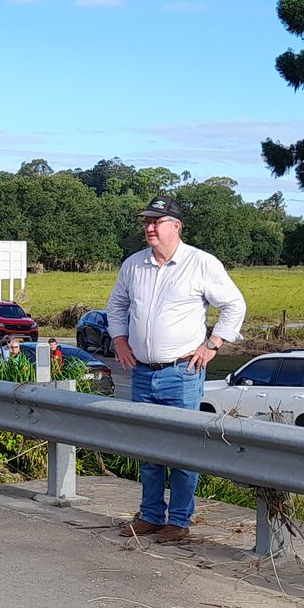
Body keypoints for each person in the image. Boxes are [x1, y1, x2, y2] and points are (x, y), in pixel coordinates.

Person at [105, 194, 247, 543]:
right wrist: (120, 340)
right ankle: (151, 515)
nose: (150, 227)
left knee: (183, 450)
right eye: (147, 222)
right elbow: (116, 306)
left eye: (157, 221)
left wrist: (213, 345)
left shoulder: (200, 264)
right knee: (148, 447)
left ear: (176, 226)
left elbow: (234, 305)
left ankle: (179, 520)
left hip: (181, 373)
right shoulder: (134, 265)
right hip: (142, 371)